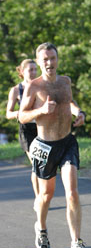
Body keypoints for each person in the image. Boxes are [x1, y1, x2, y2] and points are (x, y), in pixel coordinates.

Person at [19, 42, 91, 248]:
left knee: (72, 192)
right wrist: (41, 110)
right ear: (39, 61)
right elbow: (22, 116)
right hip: (45, 146)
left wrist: (79, 113)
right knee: (46, 195)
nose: (49, 63)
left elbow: (69, 102)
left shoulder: (65, 82)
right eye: (45, 59)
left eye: (52, 58)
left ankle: (76, 243)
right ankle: (41, 229)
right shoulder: (34, 86)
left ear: (57, 59)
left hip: (67, 142)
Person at [6, 59, 39, 205]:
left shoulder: (41, 86)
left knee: (43, 165)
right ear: (22, 72)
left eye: (35, 69)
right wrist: (18, 114)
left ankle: (43, 195)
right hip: (27, 129)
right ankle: (39, 199)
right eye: (30, 70)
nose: (33, 72)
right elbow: (8, 113)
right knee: (36, 163)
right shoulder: (16, 90)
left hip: (41, 128)